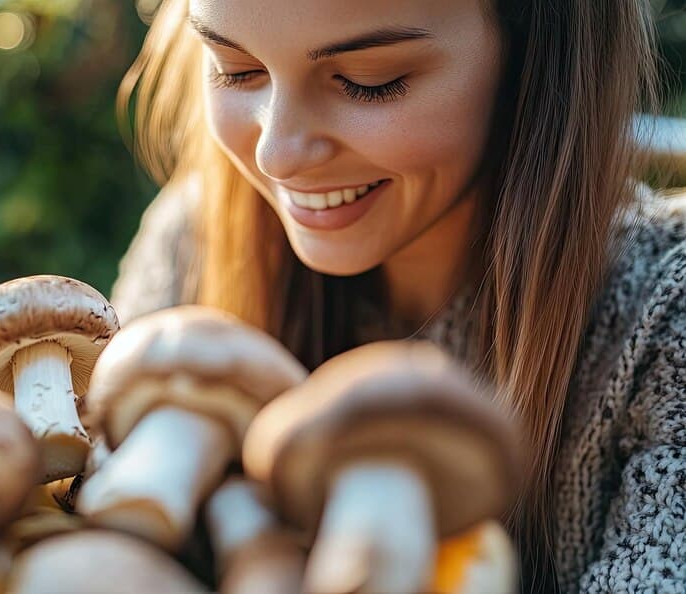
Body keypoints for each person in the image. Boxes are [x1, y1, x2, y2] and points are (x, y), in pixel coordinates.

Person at [108, 0, 685, 592]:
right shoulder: (197, 231)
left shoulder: (669, 314)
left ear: (538, 57)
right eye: (235, 69)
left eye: (369, 82)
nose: (275, 154)